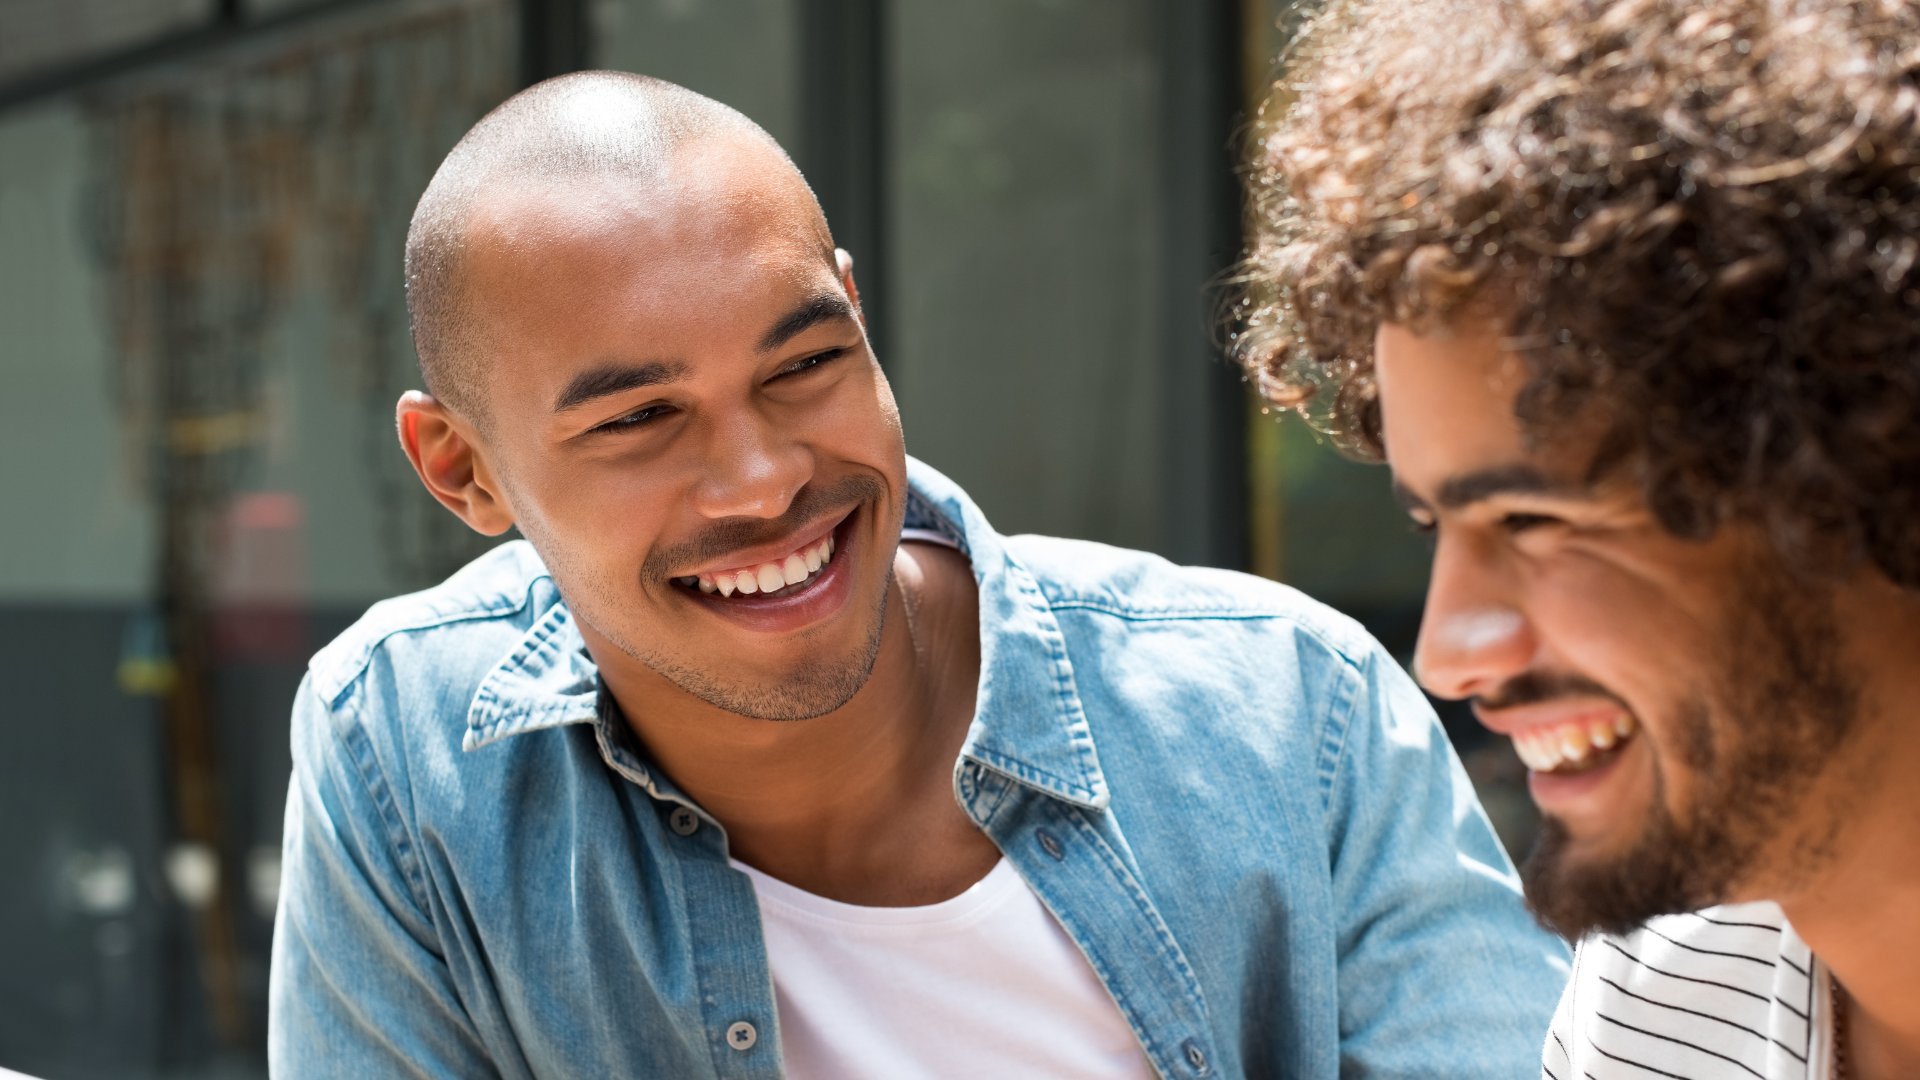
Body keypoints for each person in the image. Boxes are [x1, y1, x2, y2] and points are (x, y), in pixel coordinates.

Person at [267, 71, 1565, 1078]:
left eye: (803, 366)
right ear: (461, 470)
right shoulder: (404, 754)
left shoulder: (1293, 713)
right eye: (639, 421)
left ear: (858, 315)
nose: (763, 480)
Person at [1234, 0, 1920, 1077]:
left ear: (1858, 469)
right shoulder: (1664, 999)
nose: (1451, 657)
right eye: (1435, 526)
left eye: (1535, 521)